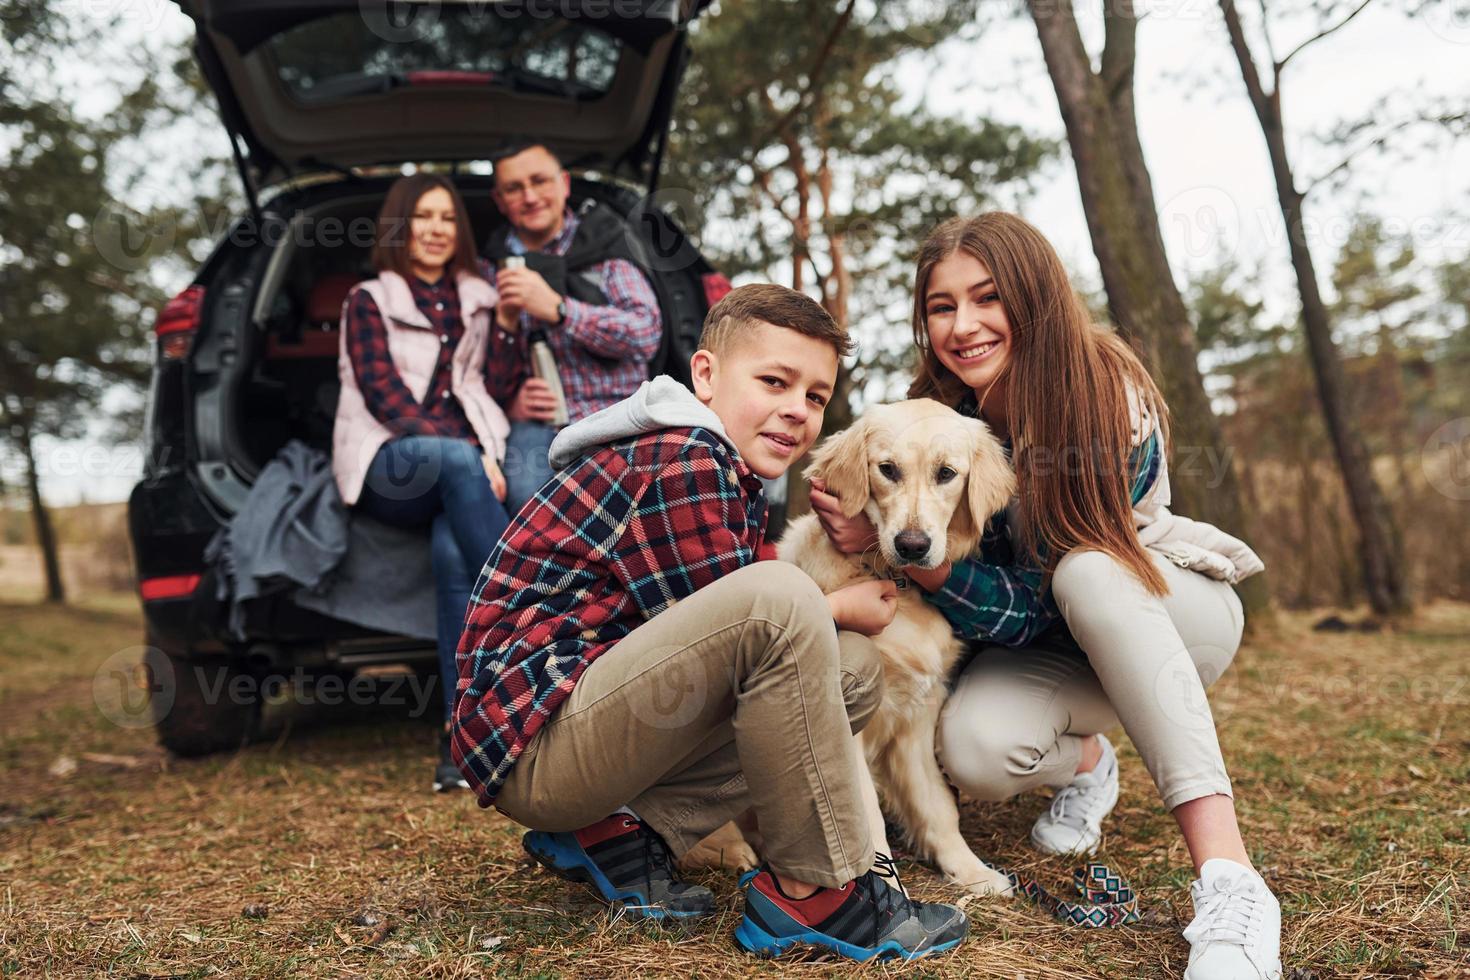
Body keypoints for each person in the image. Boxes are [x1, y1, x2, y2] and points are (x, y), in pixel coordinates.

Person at [810, 214, 1281, 980]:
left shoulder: (1104, 398)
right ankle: (1087, 762)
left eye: (988, 298)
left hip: (1170, 614)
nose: (963, 326)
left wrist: (928, 569)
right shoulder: (936, 415)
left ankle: (1231, 882)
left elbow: (1037, 602)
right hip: (1049, 649)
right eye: (941, 306)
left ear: (1032, 297)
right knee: (972, 749)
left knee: (1087, 572)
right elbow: (941, 575)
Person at [452, 284, 970, 962]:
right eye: (774, 381)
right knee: (786, 602)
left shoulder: (719, 465)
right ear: (705, 375)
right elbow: (749, 624)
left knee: (852, 673)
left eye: (815, 397)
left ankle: (619, 832)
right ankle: (816, 893)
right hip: (537, 744)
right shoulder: (686, 455)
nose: (796, 409)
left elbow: (724, 660)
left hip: (576, 733)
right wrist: (835, 605)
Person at [331, 173, 511, 794]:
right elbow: (384, 396)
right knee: (456, 470)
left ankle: (459, 737)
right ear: (398, 228)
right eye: (422, 217)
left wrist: (512, 327)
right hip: (390, 460)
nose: (436, 229)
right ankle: (533, 609)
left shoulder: (480, 298)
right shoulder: (368, 299)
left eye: (447, 218)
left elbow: (499, 377)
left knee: (453, 554)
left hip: (464, 463)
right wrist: (466, 452)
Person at [479, 141, 663, 513]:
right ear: (500, 201)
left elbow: (645, 333)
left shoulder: (605, 243)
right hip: (538, 425)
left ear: (563, 183)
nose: (530, 197)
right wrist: (509, 403)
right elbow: (469, 365)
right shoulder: (489, 268)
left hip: (618, 416)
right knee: (525, 502)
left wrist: (561, 311)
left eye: (540, 181)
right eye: (515, 189)